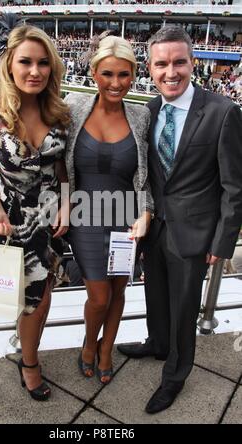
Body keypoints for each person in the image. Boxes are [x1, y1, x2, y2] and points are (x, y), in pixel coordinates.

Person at [118, 26, 242, 414]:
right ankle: (157, 343)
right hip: (154, 230)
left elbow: (235, 187)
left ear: (193, 63)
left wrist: (222, 244)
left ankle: (175, 375)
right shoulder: (148, 111)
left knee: (185, 310)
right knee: (155, 297)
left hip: (196, 236)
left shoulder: (224, 112)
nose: (170, 72)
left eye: (178, 63)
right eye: (161, 64)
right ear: (150, 69)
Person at [0, 20, 70, 402]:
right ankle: (30, 364)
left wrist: (64, 203)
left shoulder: (60, 115)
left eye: (43, 63)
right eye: (26, 61)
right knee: (31, 300)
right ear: (10, 63)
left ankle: (28, 352)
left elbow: (61, 169)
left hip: (51, 221)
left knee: (43, 297)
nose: (35, 71)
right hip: (13, 222)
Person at [65, 34, 153, 384]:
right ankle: (90, 343)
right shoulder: (73, 106)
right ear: (93, 73)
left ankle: (106, 350)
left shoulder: (141, 115)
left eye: (124, 74)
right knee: (99, 297)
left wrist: (146, 213)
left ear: (134, 74)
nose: (116, 83)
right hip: (84, 218)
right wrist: (59, 202)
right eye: (107, 74)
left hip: (126, 220)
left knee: (119, 292)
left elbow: (146, 176)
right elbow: (59, 162)